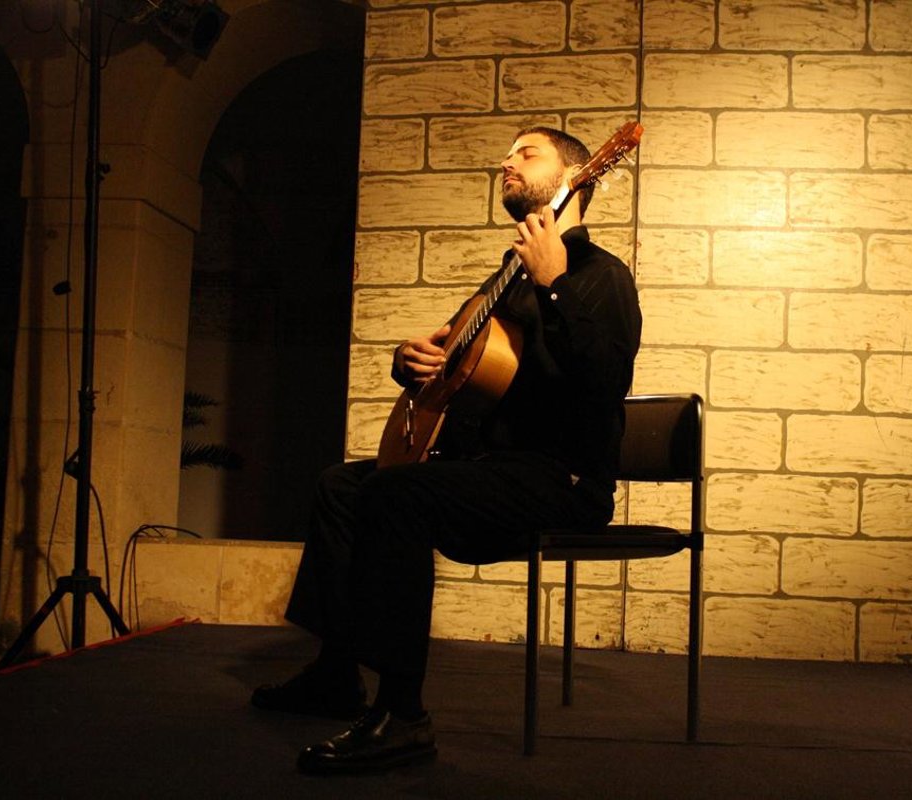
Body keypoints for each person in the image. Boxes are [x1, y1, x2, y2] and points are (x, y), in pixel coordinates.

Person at [252, 126, 642, 774]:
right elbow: (458, 370)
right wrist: (410, 362)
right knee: (340, 485)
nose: (506, 161)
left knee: (396, 494)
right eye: (508, 153)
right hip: (485, 470)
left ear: (577, 176)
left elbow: (605, 384)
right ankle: (336, 673)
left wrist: (554, 284)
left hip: (561, 480)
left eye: (527, 153)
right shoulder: (504, 280)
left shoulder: (602, 276)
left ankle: (403, 716)